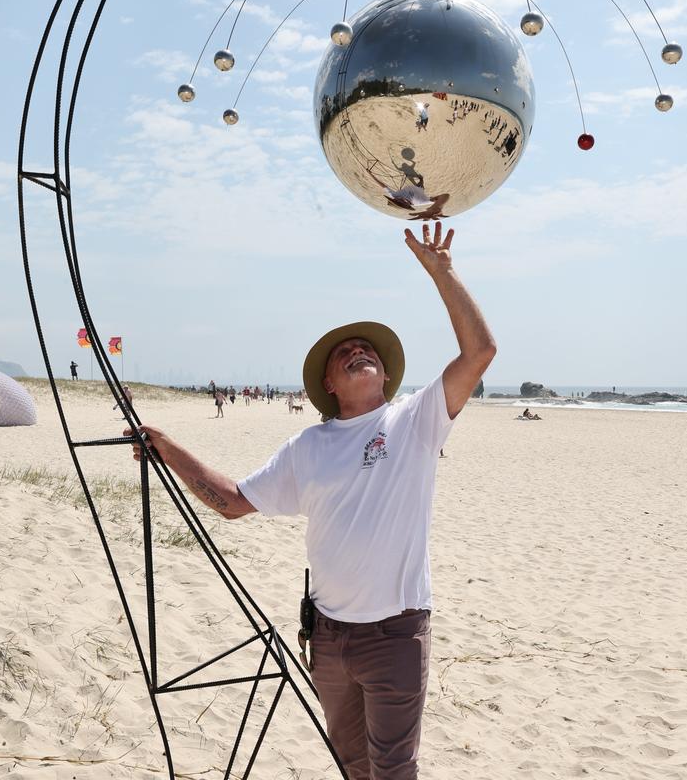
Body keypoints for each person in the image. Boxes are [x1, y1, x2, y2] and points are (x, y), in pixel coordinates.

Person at [128, 223, 496, 780]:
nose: (357, 350)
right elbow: (232, 502)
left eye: (366, 349)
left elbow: (480, 351)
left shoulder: (415, 421)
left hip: (394, 633)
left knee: (394, 770)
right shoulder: (308, 445)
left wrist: (442, 272)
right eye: (344, 352)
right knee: (352, 765)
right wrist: (168, 448)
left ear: (385, 375)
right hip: (326, 638)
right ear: (327, 383)